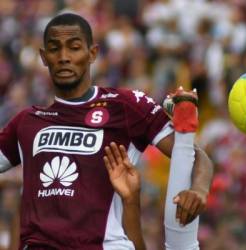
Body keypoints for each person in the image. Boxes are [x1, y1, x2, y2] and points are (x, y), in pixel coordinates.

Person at [0, 13, 213, 249]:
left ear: (92, 53)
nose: (63, 57)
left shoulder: (124, 105)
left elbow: (194, 155)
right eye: (54, 49)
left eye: (74, 48)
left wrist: (199, 190)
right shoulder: (27, 121)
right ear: (43, 57)